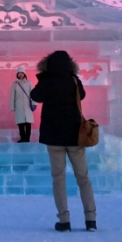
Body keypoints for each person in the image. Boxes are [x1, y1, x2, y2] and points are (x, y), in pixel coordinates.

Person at [30, 51, 97, 232]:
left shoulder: (47, 81)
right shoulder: (74, 80)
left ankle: (64, 220)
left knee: (58, 178)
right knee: (83, 178)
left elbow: (35, 96)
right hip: (75, 135)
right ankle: (91, 219)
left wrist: (43, 77)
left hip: (54, 136)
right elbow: (81, 96)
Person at [9, 66, 36, 143]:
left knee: (28, 123)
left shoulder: (29, 83)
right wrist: (12, 106)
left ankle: (27, 139)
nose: (20, 74)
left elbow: (33, 94)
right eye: (19, 73)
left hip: (27, 106)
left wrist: (34, 103)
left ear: (24, 74)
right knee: (20, 123)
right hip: (19, 106)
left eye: (22, 73)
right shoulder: (14, 84)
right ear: (17, 74)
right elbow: (12, 96)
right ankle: (22, 138)